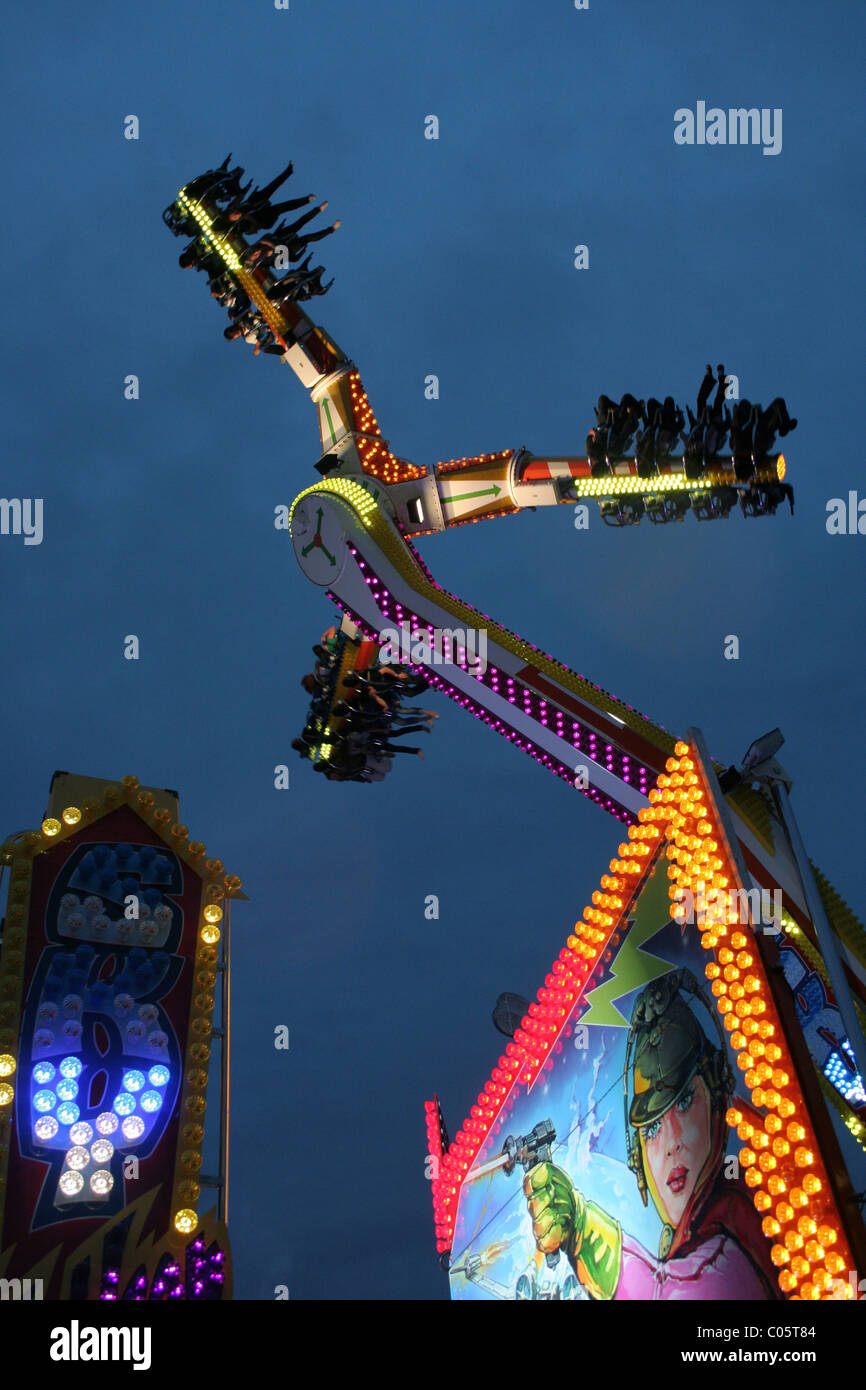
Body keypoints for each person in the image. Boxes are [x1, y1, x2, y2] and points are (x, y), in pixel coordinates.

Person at [521, 970, 780, 1300]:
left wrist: (585, 1233)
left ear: (717, 1096)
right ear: (637, 1155)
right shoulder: (686, 1236)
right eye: (652, 1129)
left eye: (684, 1102)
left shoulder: (737, 1216)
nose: (671, 1144)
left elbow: (671, 1293)